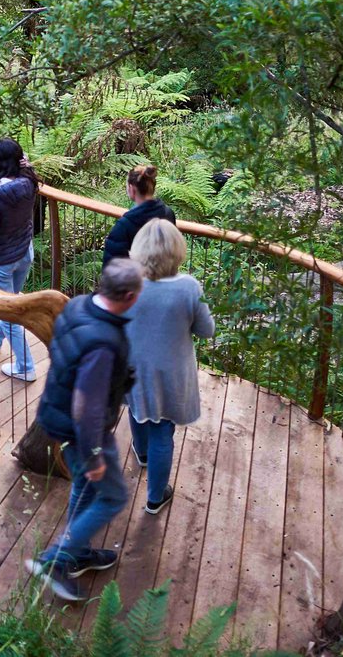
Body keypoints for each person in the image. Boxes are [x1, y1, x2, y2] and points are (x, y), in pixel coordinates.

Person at [26, 258, 144, 602]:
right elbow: (86, 407)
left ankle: (76, 552)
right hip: (83, 431)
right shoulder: (104, 343)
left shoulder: (79, 306)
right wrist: (94, 454)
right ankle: (55, 560)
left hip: (57, 413)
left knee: (85, 486)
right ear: (129, 296)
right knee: (113, 496)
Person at [124, 220, 215, 515]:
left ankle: (142, 453)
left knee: (137, 408)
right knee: (163, 429)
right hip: (171, 373)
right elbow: (206, 330)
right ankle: (155, 496)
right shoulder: (188, 287)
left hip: (132, 366)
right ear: (177, 251)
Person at [0, 137, 40, 382]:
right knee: (5, 300)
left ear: (0, 162)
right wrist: (27, 166)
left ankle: (26, 366)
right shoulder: (29, 183)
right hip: (24, 252)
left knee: (8, 312)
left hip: (2, 260)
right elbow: (29, 171)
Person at [102, 165, 176, 267]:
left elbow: (111, 268)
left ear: (132, 189)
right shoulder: (168, 214)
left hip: (134, 281)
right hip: (164, 276)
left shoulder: (123, 226)